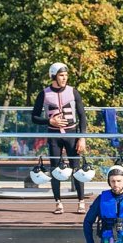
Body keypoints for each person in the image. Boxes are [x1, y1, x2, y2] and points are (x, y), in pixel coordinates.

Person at [31, 62, 87, 214]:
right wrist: (49, 121)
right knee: (56, 169)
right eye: (61, 75)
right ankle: (58, 202)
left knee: (76, 168)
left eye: (66, 75)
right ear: (53, 76)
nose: (65, 78)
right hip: (54, 135)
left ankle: (81, 202)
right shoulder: (44, 93)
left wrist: (82, 138)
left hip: (71, 134)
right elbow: (34, 117)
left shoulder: (73, 92)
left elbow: (82, 116)